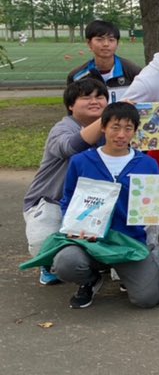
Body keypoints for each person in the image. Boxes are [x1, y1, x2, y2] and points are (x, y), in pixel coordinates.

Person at [52, 103, 159, 309]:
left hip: (129, 242)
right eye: (115, 127)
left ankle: (127, 274)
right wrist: (70, 225)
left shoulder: (147, 164)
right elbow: (68, 198)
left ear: (135, 131)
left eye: (128, 128)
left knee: (148, 298)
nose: (121, 134)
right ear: (103, 127)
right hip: (89, 240)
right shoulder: (81, 161)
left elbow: (153, 208)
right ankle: (89, 280)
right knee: (65, 263)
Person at [23, 78, 108, 285]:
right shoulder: (62, 128)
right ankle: (49, 264)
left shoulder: (112, 129)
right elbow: (69, 147)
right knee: (43, 248)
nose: (94, 101)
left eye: (100, 97)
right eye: (86, 97)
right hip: (52, 201)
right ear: (71, 105)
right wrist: (107, 118)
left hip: (93, 203)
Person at [66, 19, 141, 99]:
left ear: (117, 43)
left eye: (111, 40)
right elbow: (73, 108)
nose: (106, 44)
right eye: (99, 39)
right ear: (89, 43)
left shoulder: (134, 72)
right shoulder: (76, 76)